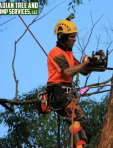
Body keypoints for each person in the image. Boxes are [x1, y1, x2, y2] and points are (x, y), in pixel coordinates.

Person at [46, 14, 97, 148]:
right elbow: (68, 72)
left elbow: (83, 71)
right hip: (58, 93)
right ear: (62, 37)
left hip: (67, 95)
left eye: (75, 36)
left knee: (86, 130)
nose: (75, 39)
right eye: (72, 36)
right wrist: (85, 64)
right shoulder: (55, 53)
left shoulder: (69, 54)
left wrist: (92, 64)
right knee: (77, 124)